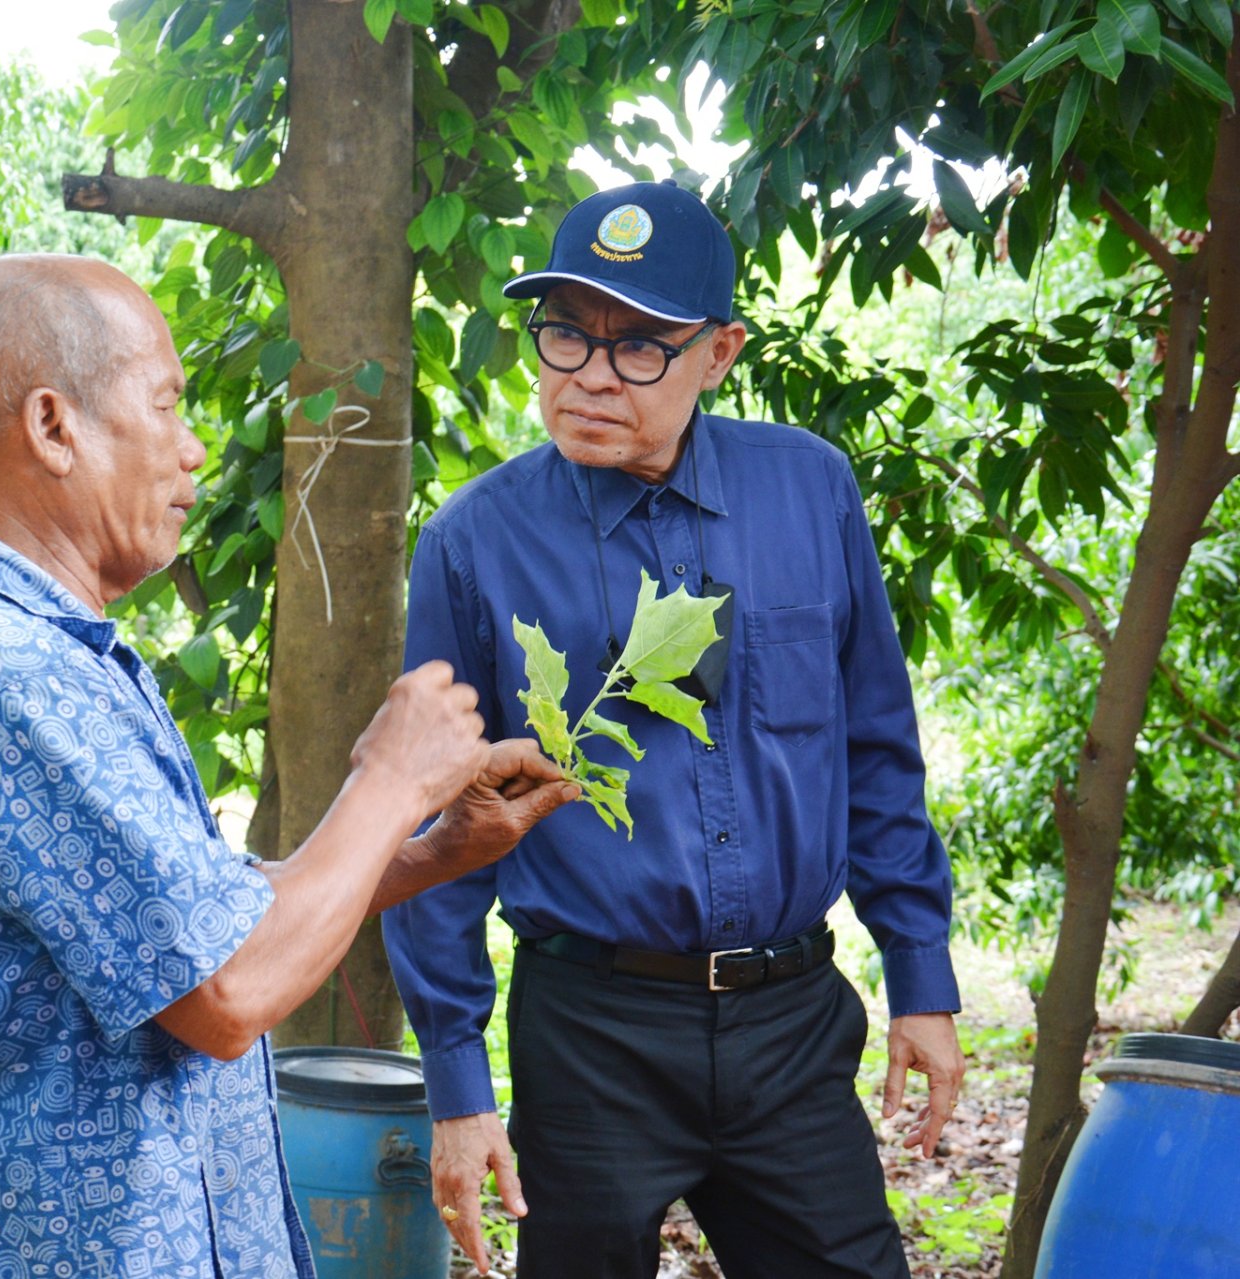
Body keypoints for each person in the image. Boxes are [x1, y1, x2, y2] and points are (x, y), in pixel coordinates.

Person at [0, 253, 580, 1279]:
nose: (194, 451)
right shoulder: (12, 679)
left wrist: (428, 847)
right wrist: (390, 776)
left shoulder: (52, 653)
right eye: (165, 405)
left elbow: (195, 923)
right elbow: (226, 990)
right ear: (54, 427)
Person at [382, 182, 967, 1279]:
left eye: (641, 345)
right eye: (566, 334)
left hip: (792, 1025)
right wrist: (459, 1086)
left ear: (720, 352)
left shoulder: (810, 492)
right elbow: (437, 830)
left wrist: (920, 974)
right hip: (590, 1029)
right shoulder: (475, 544)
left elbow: (877, 749)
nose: (592, 374)